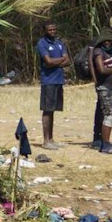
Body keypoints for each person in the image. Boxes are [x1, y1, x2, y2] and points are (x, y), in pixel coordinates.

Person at [36, 21, 68, 149]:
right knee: (47, 110)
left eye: (54, 29)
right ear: (45, 30)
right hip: (48, 80)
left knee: (53, 110)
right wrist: (60, 60)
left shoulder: (59, 42)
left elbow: (68, 60)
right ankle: (45, 141)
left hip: (59, 80)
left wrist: (55, 62)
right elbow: (47, 61)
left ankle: (51, 138)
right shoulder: (42, 43)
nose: (53, 32)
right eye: (50, 30)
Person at [90, 28, 112, 154]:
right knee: (108, 116)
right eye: (106, 41)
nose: (108, 43)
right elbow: (102, 70)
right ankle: (105, 144)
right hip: (105, 88)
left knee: (109, 116)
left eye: (110, 41)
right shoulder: (99, 52)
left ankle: (105, 142)